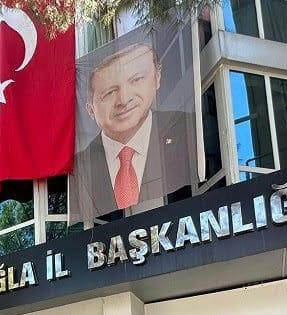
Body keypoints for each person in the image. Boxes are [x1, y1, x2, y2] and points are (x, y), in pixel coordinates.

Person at [72, 42, 196, 222]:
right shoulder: (77, 170)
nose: (124, 100)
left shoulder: (189, 130)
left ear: (157, 77)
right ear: (90, 109)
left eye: (136, 80)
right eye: (109, 92)